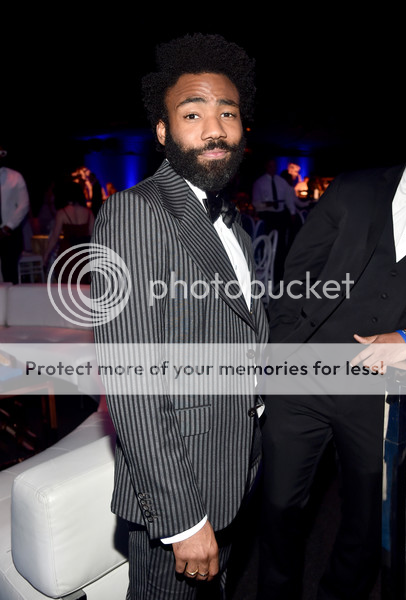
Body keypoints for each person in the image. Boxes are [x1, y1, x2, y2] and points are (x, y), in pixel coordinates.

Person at [91, 33, 268, 600]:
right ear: (163, 132)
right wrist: (182, 520)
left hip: (230, 471)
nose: (215, 129)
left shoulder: (233, 223)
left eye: (227, 113)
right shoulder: (135, 213)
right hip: (181, 492)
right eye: (193, 114)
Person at [258, 160, 406, 599]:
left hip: (379, 391)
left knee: (367, 521)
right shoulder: (354, 187)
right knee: (279, 507)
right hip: (304, 376)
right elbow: (297, 271)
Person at [252, 157, 297, 279]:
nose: (272, 168)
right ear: (266, 167)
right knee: (268, 243)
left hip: (280, 215)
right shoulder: (259, 182)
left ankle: (279, 272)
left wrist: (292, 212)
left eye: (274, 166)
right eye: (270, 166)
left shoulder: (281, 182)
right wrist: (266, 204)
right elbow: (255, 203)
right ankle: (267, 268)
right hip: (267, 215)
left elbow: (289, 199)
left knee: (281, 244)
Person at [44, 179, 94, 282]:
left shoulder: (62, 212)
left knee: (65, 286)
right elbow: (93, 238)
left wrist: (46, 255)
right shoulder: (89, 213)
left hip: (67, 253)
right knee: (82, 287)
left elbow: (54, 237)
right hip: (83, 255)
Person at [0, 144, 30, 283]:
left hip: (9, 234)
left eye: (2, 152)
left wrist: (8, 227)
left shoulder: (15, 177)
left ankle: (11, 297)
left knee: (9, 273)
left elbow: (24, 204)